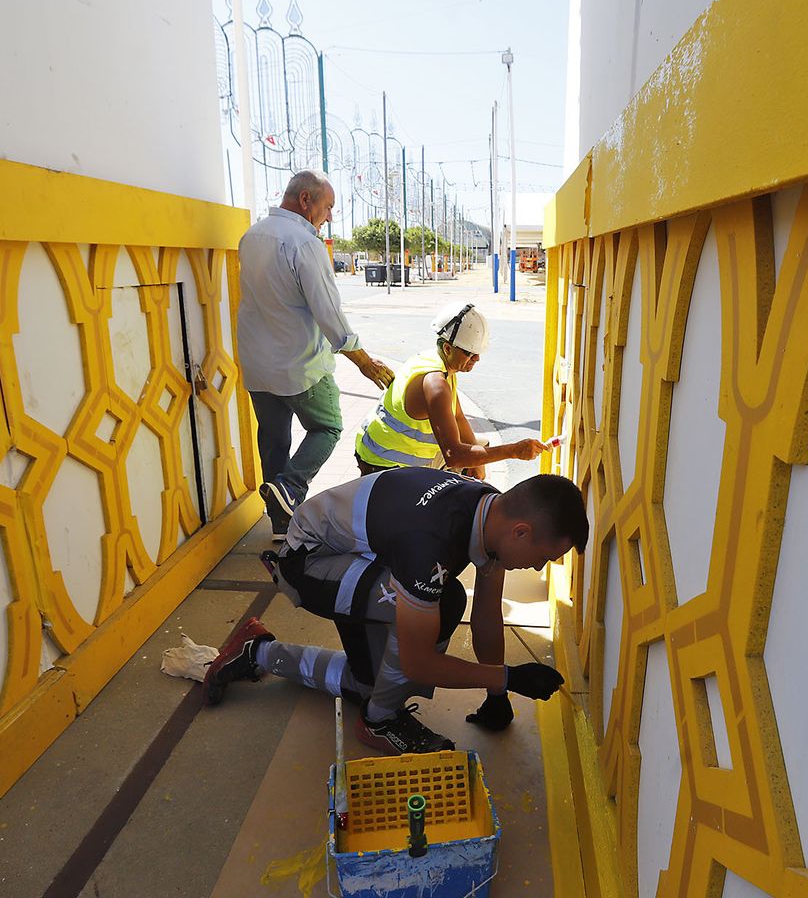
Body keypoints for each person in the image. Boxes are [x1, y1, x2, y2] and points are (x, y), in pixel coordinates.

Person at [200, 469, 588, 754]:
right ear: (521, 532)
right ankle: (379, 722)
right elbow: (419, 664)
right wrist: (508, 677)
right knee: (445, 601)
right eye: (543, 558)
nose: (538, 568)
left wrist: (496, 692)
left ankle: (256, 651)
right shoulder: (430, 543)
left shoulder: (493, 512)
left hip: (361, 557)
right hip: (309, 564)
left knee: (370, 685)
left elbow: (487, 617)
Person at [236, 170, 394, 539]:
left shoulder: (252, 236)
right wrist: (364, 362)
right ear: (306, 200)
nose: (329, 217)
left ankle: (279, 521)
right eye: (328, 207)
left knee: (273, 438)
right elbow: (329, 313)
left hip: (257, 365)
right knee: (327, 427)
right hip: (300, 366)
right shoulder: (304, 244)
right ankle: (290, 489)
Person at [353, 302, 546, 478]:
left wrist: (479, 465)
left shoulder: (441, 366)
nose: (476, 359)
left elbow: (459, 417)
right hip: (384, 466)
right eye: (470, 353)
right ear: (447, 348)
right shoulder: (436, 384)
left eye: (478, 353)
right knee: (462, 473)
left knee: (481, 448)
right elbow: (454, 455)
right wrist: (514, 451)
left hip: (380, 451)